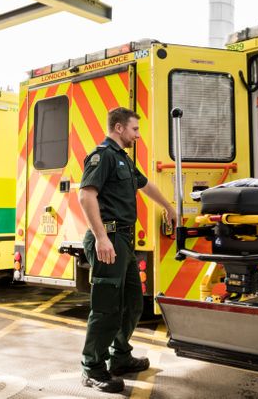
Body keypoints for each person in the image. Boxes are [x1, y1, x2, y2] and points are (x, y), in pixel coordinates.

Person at [78, 107, 177, 393]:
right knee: (106, 308)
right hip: (108, 238)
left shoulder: (123, 160)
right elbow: (86, 195)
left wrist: (168, 206)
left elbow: (146, 186)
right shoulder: (103, 156)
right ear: (119, 128)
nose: (137, 135)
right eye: (134, 129)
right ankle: (92, 367)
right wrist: (101, 237)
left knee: (133, 302)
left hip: (124, 240)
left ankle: (119, 356)